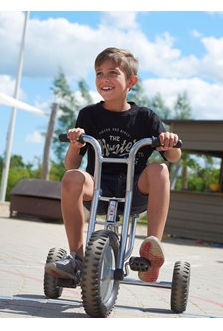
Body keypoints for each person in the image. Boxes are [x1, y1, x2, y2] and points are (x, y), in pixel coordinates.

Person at [45, 47, 181, 283]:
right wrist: (75, 144)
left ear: (131, 81)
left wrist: (169, 142)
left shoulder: (145, 117)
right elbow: (71, 165)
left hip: (134, 190)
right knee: (71, 178)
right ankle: (77, 257)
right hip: (97, 188)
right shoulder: (88, 115)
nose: (104, 79)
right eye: (99, 73)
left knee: (160, 169)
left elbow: (174, 156)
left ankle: (151, 250)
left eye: (112, 73)